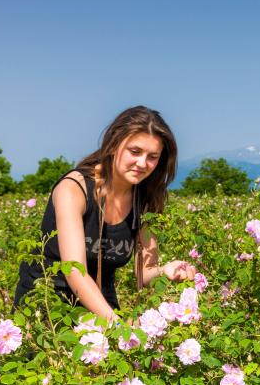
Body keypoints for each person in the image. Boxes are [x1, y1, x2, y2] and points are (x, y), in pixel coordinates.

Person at [14, 105, 196, 321]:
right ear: (113, 146)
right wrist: (118, 327)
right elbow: (75, 271)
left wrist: (165, 270)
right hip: (47, 303)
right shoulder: (74, 189)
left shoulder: (145, 199)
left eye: (152, 157)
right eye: (135, 151)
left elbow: (144, 273)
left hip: (102, 301)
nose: (142, 163)